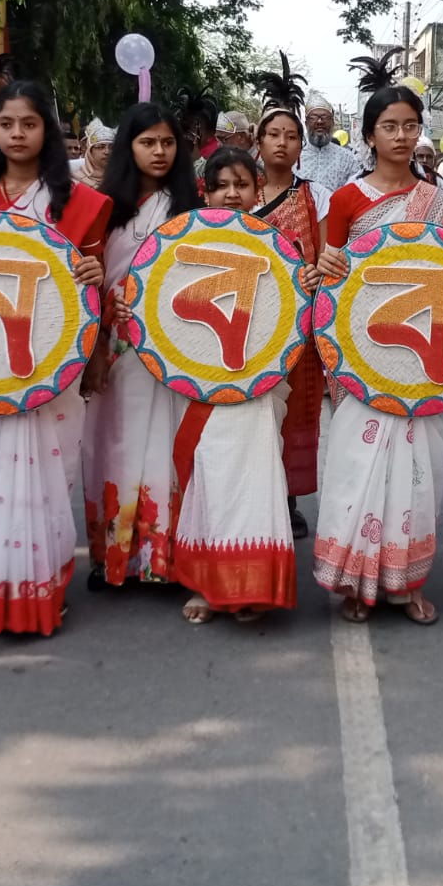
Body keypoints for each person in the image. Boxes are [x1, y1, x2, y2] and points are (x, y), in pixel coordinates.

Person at [0, 83, 110, 635]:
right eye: (7, 124)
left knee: (49, 476)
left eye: (29, 124)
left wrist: (93, 276)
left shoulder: (82, 203)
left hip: (52, 361)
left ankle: (43, 588)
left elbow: (93, 286)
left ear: (48, 132)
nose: (17, 134)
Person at [314, 83, 443, 624]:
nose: (401, 136)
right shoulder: (347, 199)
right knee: (358, 462)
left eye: (410, 126)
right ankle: (355, 580)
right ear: (369, 135)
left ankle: (406, 583)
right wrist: (328, 266)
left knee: (418, 468)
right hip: (364, 347)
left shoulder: (438, 201)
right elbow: (329, 276)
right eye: (389, 127)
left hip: (423, 347)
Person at [174, 149, 308, 624]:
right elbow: (163, 308)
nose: (232, 194)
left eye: (241, 185)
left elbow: (293, 312)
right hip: (203, 381)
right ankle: (207, 586)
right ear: (205, 192)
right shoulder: (181, 243)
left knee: (255, 478)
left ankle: (251, 586)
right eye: (221, 186)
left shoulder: (280, 246)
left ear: (257, 190)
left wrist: (310, 282)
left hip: (259, 380)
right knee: (209, 475)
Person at [82, 102, 201, 588]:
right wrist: (96, 347)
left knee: (171, 443)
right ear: (127, 148)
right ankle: (114, 557)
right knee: (115, 443)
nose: (159, 151)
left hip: (175, 345)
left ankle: (167, 559)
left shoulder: (192, 210)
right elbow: (88, 285)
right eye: (147, 142)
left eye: (168, 142)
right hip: (116, 345)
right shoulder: (100, 208)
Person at [252, 91, 332, 538]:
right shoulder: (240, 190)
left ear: (301, 145)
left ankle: (289, 497)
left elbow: (325, 253)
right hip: (247, 315)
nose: (282, 142)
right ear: (259, 141)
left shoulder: (314, 195)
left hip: (298, 318)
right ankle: (255, 492)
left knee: (296, 409)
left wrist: (317, 277)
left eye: (291, 136)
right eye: (273, 134)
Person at [298, 97, 358, 192]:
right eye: (314, 117)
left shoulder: (348, 158)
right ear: (306, 123)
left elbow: (355, 192)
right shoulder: (295, 158)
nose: (319, 122)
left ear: (332, 123)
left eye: (325, 117)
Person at [73, 118, 114, 190]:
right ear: (90, 152)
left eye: (111, 147)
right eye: (100, 147)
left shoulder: (121, 176)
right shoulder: (76, 180)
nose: (107, 152)